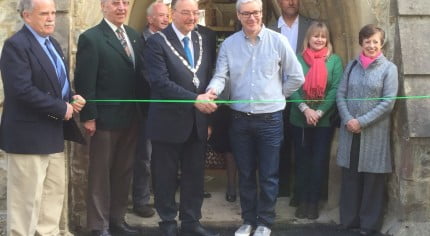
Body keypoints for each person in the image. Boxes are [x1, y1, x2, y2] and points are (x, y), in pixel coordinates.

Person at [206, 0, 305, 235]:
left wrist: (278, 95)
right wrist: (212, 90)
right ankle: (248, 220)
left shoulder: (277, 41)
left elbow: (297, 76)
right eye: (247, 13)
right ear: (238, 16)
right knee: (246, 172)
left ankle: (265, 222)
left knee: (269, 174)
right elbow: (221, 76)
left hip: (270, 119)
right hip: (240, 119)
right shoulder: (229, 45)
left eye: (257, 12)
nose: (253, 17)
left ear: (262, 14)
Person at [0, 0, 86, 235]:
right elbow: (21, 91)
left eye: (53, 13)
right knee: (25, 206)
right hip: (27, 138)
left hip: (53, 135)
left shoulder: (54, 44)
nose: (51, 18)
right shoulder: (15, 46)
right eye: (44, 14)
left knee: (51, 200)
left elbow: (56, 84)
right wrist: (60, 108)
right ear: (26, 16)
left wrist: (72, 98)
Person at [143, 0, 219, 235]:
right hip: (167, 122)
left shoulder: (203, 39)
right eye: (186, 12)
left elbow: (207, 78)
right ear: (172, 13)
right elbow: (160, 82)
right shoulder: (157, 42)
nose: (191, 17)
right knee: (165, 177)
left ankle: (191, 221)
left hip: (197, 122)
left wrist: (209, 105)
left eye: (195, 13)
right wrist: (195, 100)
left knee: (194, 176)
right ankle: (167, 222)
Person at [74, 0, 149, 235]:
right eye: (115, 3)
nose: (121, 7)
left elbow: (139, 77)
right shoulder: (92, 38)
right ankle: (99, 226)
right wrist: (89, 117)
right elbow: (85, 81)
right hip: (104, 121)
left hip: (132, 118)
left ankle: (117, 220)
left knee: (123, 172)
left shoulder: (134, 36)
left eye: (125, 3)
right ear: (103, 6)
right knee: (100, 175)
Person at [336, 24, 398, 235]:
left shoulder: (389, 69)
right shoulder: (351, 66)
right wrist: (347, 119)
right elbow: (340, 94)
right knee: (351, 177)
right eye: (367, 41)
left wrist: (361, 121)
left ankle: (368, 225)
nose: (371, 45)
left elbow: (388, 102)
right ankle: (349, 221)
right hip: (349, 132)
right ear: (361, 42)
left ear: (381, 44)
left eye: (375, 41)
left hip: (373, 134)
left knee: (373, 180)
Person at [289, 21, 343, 220]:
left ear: (327, 39)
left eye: (323, 36)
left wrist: (319, 112)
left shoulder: (335, 61)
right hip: (300, 119)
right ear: (308, 38)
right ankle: (302, 200)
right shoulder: (297, 59)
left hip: (323, 121)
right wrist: (305, 109)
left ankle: (313, 202)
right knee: (302, 161)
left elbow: (336, 88)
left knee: (318, 162)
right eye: (315, 36)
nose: (319, 39)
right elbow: (291, 86)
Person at [269, 0, 314, 201]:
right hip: (276, 94)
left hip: (303, 97)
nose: (291, 2)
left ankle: (301, 191)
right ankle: (282, 188)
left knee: (302, 145)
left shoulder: (310, 26)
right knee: (279, 144)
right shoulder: (269, 29)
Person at [131, 0, 169, 219]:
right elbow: (147, 77)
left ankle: (161, 196)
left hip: (167, 109)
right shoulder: (140, 42)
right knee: (144, 157)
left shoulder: (168, 40)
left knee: (163, 156)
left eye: (167, 15)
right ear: (149, 19)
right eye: (161, 15)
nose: (165, 19)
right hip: (147, 108)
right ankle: (141, 200)